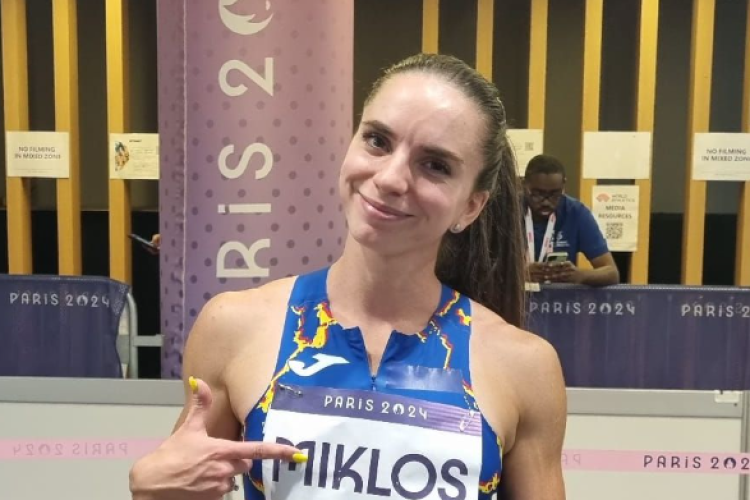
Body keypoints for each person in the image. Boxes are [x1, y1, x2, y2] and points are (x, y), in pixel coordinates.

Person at [129, 54, 567, 500]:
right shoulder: (234, 326)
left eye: (435, 165)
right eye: (377, 140)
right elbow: (182, 487)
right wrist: (152, 493)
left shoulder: (524, 367)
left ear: (471, 206)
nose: (390, 178)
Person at [522, 154, 620, 286]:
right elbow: (491, 271)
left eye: (554, 194)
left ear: (563, 186)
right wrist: (519, 274)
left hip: (560, 297)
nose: (546, 202)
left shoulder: (576, 212)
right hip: (511, 295)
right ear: (524, 185)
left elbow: (612, 273)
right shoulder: (506, 210)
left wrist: (579, 275)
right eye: (538, 194)